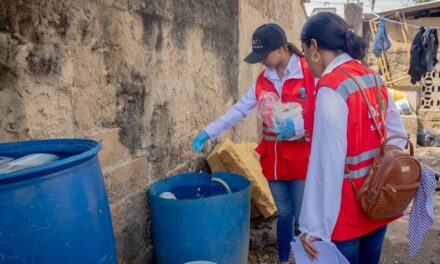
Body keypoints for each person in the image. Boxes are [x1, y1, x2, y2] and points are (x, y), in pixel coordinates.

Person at [192, 23, 316, 263]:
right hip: (274, 161)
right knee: (285, 213)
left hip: (301, 159)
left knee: (303, 217)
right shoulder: (263, 80)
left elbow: (320, 110)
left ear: (281, 49)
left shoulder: (307, 72)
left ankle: (306, 260)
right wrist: (208, 132)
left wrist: (299, 127)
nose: (261, 63)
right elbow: (239, 110)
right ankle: (282, 259)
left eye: (263, 56)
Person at [297, 12, 407, 264]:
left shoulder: (331, 87)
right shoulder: (373, 77)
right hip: (378, 203)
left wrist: (314, 227)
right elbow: (398, 136)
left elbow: (327, 165)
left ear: (314, 46)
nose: (306, 59)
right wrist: (378, 175)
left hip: (345, 214)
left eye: (304, 51)